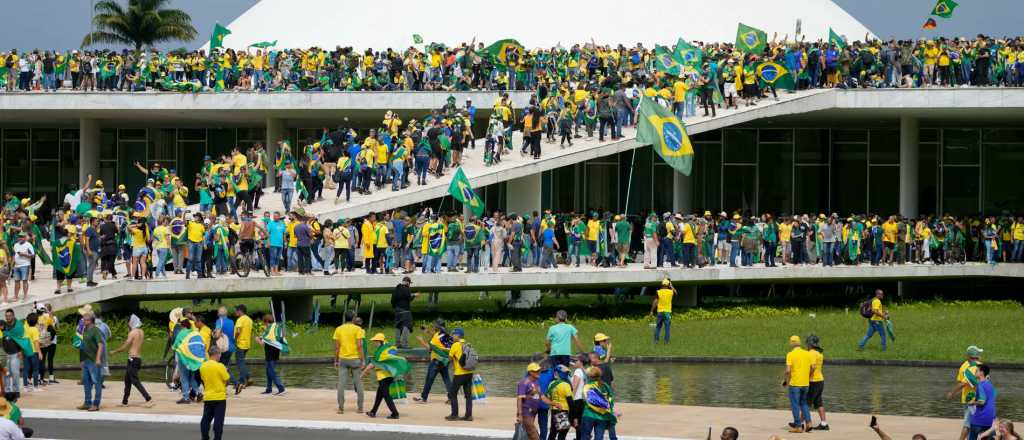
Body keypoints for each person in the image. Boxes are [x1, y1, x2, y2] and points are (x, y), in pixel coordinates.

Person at [110, 314, 153, 407]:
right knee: (127, 380)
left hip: (133, 359)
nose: (128, 325)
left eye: (128, 323)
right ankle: (124, 401)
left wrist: (114, 351)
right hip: (137, 359)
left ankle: (148, 398)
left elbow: (125, 347)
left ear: (131, 322)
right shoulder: (141, 331)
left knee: (135, 381)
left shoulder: (133, 333)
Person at [360, 333, 400, 419]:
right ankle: (373, 412)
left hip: (383, 377)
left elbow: (372, 364)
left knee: (386, 396)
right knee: (379, 395)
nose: (375, 343)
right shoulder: (389, 348)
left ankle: (395, 413)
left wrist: (362, 375)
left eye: (376, 341)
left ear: (380, 341)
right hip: (390, 375)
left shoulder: (381, 352)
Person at [333, 310, 366, 414]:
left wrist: (336, 360)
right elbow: (360, 346)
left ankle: (341, 408)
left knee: (341, 384)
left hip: (343, 359)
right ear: (353, 319)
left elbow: (337, 347)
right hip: (355, 360)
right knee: (358, 383)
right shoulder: (358, 329)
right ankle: (360, 408)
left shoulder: (338, 329)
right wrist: (362, 360)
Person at [414, 318, 452, 404]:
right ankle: (451, 398)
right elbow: (435, 336)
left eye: (434, 325)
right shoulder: (446, 334)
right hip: (445, 360)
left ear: (437, 327)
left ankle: (423, 398)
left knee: (429, 379)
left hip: (436, 361)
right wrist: (427, 331)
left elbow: (430, 348)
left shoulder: (436, 338)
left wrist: (421, 341)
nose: (433, 326)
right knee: (446, 379)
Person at [784, 335, 814, 433]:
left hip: (795, 384)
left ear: (791, 343)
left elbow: (788, 371)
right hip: (805, 384)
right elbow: (813, 367)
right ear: (799, 343)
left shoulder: (790, 354)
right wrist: (808, 376)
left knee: (795, 405)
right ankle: (809, 423)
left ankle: (798, 426)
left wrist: (786, 381)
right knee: (804, 404)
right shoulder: (807, 354)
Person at [199, 345, 230, 440]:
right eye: (220, 354)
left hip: (208, 397)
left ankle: (205, 437)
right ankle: (217, 438)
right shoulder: (220, 366)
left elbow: (203, 381)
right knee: (218, 421)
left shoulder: (202, 366)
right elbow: (227, 379)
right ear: (216, 354)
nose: (220, 356)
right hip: (219, 398)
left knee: (206, 420)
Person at [76, 312, 104, 411]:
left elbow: (100, 345)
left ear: (90, 320)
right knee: (86, 382)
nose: (83, 321)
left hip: (93, 360)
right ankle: (87, 403)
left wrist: (98, 358)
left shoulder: (95, 331)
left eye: (84, 319)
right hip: (85, 360)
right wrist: (81, 360)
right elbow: (82, 346)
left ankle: (96, 404)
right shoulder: (84, 330)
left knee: (97, 382)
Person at [579, 366, 616, 440]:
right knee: (599, 437)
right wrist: (609, 409)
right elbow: (611, 398)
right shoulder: (605, 385)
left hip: (588, 414)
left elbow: (584, 400)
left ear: (589, 376)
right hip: (601, 416)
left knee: (585, 437)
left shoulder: (587, 386)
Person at [446, 327, 474, 421]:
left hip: (459, 373)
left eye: (453, 334)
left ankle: (454, 415)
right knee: (468, 395)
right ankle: (468, 416)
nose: (452, 336)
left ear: (458, 335)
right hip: (469, 372)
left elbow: (449, 359)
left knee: (452, 393)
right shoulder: (467, 344)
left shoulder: (455, 345)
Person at [256, 313, 286, 396]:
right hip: (276, 353)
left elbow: (263, 343)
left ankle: (281, 388)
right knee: (268, 371)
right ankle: (268, 389)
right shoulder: (276, 328)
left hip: (269, 354)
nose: (263, 324)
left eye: (264, 322)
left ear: (266, 322)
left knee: (271, 371)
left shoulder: (268, 329)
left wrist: (258, 340)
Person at [542, 364, 574, 440]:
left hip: (554, 410)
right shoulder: (566, 385)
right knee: (562, 434)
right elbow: (570, 402)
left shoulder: (551, 384)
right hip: (563, 410)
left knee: (553, 432)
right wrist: (573, 416)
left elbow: (549, 397)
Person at [967, 365, 996, 440]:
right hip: (990, 418)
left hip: (980, 418)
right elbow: (992, 396)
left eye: (977, 370)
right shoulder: (989, 384)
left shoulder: (980, 385)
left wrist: (972, 403)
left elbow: (982, 401)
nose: (975, 372)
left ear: (981, 373)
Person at [805, 334, 828, 431]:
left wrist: (807, 376)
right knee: (819, 403)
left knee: (805, 403)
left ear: (810, 344)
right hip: (820, 381)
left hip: (813, 381)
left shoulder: (811, 353)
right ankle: (824, 424)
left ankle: (799, 423)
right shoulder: (819, 353)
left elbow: (813, 367)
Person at [518, 362, 543, 440]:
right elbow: (519, 399)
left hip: (533, 412)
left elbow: (541, 396)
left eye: (539, 370)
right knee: (533, 434)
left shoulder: (536, 383)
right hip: (526, 412)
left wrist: (553, 403)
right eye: (536, 371)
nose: (538, 372)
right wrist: (520, 414)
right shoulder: (524, 383)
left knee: (530, 433)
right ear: (530, 372)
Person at [391, 276, 416, 348]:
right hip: (405, 311)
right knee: (407, 326)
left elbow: (392, 300)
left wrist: (395, 308)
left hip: (397, 310)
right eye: (410, 283)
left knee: (398, 326)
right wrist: (414, 295)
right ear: (408, 283)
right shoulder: (407, 289)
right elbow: (409, 298)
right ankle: (405, 344)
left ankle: (397, 344)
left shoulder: (396, 289)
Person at [232, 304, 253, 394]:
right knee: (242, 362)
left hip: (240, 343)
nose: (235, 312)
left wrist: (235, 339)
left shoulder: (240, 319)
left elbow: (238, 331)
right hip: (247, 344)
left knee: (240, 363)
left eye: (236, 310)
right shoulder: (249, 319)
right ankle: (244, 379)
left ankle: (245, 380)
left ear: (240, 311)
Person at [650, 278, 676, 343]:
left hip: (660, 312)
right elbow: (676, 293)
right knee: (667, 328)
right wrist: (671, 286)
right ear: (668, 285)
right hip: (667, 312)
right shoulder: (671, 292)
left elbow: (655, 302)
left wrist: (651, 311)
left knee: (658, 327)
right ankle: (666, 341)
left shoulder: (658, 292)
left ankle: (656, 340)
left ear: (662, 284)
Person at [11, 235, 33, 302]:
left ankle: (25, 296)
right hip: (16, 266)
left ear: (25, 238)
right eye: (19, 237)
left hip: (25, 265)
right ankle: (16, 296)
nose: (20, 238)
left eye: (22, 237)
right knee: (16, 281)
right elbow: (14, 255)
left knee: (24, 281)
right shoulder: (15, 245)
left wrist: (24, 254)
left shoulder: (28, 245)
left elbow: (32, 255)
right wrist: (12, 265)